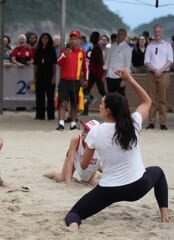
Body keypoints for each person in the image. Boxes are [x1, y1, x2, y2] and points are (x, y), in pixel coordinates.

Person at [64, 68, 169, 231]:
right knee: (158, 173)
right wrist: (130, 79)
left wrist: (79, 152)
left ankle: (73, 230)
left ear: (108, 111)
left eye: (101, 104)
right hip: (136, 187)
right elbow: (147, 101)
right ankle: (164, 215)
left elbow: (84, 167)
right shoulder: (133, 122)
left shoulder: (95, 132)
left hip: (108, 190)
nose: (99, 106)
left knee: (73, 215)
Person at [44, 119, 101, 188]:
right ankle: (51, 173)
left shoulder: (100, 145)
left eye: (87, 130)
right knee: (62, 178)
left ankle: (96, 174)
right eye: (83, 128)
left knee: (89, 183)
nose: (83, 132)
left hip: (90, 161)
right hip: (75, 156)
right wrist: (68, 186)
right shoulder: (76, 140)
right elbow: (70, 162)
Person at [144, 24, 173, 130]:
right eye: (156, 32)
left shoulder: (167, 45)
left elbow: (170, 60)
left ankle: (162, 122)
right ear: (153, 32)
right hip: (151, 74)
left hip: (164, 74)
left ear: (162, 32)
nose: (157, 34)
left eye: (159, 32)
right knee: (151, 99)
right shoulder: (149, 46)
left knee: (163, 99)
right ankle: (151, 122)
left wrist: (160, 70)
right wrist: (155, 70)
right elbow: (146, 61)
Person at [56, 30, 87, 130]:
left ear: (78, 40)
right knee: (63, 102)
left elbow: (85, 67)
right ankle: (61, 123)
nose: (73, 41)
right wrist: (65, 54)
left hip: (76, 81)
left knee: (74, 103)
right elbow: (58, 62)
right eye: (71, 39)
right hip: (64, 81)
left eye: (75, 39)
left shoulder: (82, 52)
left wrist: (86, 79)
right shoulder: (64, 50)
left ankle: (73, 123)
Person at [33, 32, 57, 120]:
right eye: (43, 38)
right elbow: (35, 64)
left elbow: (54, 64)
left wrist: (54, 76)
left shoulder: (52, 50)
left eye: (46, 38)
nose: (44, 40)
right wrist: (34, 76)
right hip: (40, 76)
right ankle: (40, 115)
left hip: (49, 76)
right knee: (39, 96)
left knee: (50, 97)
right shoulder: (38, 50)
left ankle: (51, 115)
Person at [104, 28, 132, 96]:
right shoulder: (111, 46)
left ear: (125, 36)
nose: (119, 36)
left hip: (120, 77)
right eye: (118, 34)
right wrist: (104, 74)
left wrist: (124, 80)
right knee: (110, 97)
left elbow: (128, 65)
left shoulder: (127, 48)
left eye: (121, 34)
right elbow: (107, 61)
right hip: (110, 75)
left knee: (120, 97)